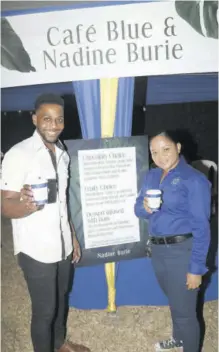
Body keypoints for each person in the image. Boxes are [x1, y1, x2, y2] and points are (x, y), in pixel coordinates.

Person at [1, 94, 90, 352]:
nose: (54, 124)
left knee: (61, 300)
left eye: (59, 119)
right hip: (36, 249)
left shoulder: (63, 153)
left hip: (61, 245)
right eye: (47, 118)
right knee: (44, 310)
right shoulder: (19, 154)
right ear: (34, 119)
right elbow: (5, 205)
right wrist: (26, 206)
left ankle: (59, 344)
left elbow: (62, 203)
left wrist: (72, 237)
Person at [134, 131, 211, 352]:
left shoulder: (194, 180)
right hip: (159, 251)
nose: (160, 156)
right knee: (176, 303)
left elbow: (202, 228)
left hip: (182, 252)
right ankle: (179, 340)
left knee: (186, 313)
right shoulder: (151, 175)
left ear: (178, 147)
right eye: (154, 152)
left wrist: (196, 268)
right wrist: (145, 208)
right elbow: (138, 207)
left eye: (165, 149)